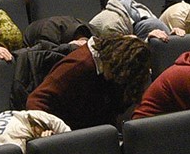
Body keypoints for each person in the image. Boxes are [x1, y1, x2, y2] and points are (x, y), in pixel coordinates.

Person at [24, 33, 153, 128]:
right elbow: (36, 100)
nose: (114, 78)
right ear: (114, 61)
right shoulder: (78, 65)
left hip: (92, 130)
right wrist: (51, 130)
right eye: (115, 74)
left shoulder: (110, 67)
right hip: (65, 131)